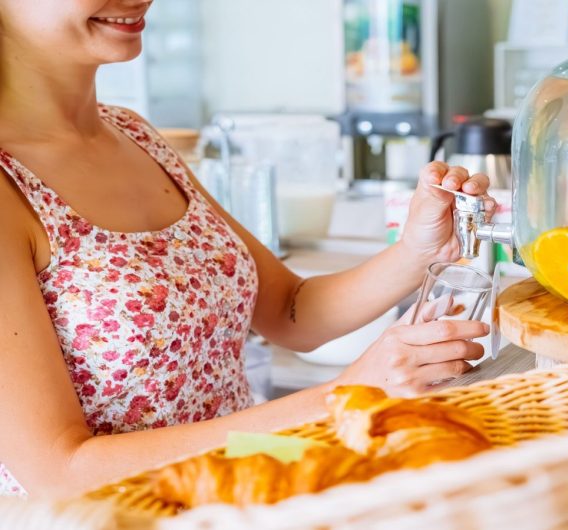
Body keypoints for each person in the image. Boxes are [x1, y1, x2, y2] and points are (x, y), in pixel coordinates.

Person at [0, 0, 496, 498]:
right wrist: (345, 396)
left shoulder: (134, 134)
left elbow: (289, 311)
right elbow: (59, 473)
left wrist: (417, 249)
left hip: (236, 494)